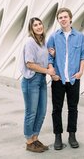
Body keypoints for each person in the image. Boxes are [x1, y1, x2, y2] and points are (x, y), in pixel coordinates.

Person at [47, 7, 84, 150]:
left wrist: (81, 72)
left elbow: (83, 56)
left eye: (65, 17)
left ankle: (72, 135)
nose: (63, 19)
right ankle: (58, 136)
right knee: (56, 109)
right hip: (58, 79)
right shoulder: (53, 37)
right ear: (58, 20)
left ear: (70, 18)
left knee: (73, 108)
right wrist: (52, 74)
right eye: (60, 17)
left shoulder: (80, 36)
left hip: (74, 78)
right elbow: (49, 58)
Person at [20, 17, 55, 153]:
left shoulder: (43, 42)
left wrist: (52, 53)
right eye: (35, 25)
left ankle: (35, 138)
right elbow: (30, 63)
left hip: (41, 79)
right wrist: (48, 71)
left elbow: (45, 59)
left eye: (40, 24)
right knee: (31, 112)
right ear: (31, 28)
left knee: (42, 111)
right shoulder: (30, 42)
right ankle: (29, 141)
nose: (39, 26)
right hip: (31, 80)